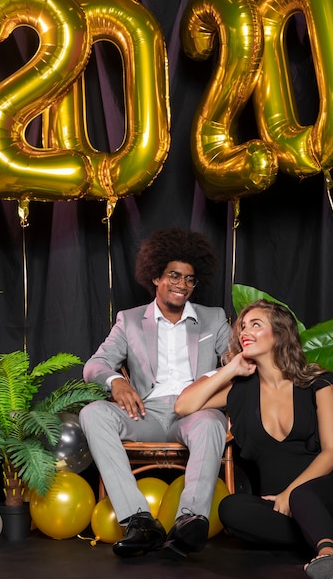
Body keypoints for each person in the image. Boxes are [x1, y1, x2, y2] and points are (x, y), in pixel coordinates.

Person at [174, 299, 333, 579]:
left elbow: (332, 452)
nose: (244, 332)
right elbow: (184, 406)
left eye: (256, 325)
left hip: (326, 491)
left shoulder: (316, 382)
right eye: (243, 327)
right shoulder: (239, 391)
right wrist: (232, 367)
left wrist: (290, 492)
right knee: (230, 509)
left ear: (279, 334)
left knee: (301, 496)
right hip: (277, 506)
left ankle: (327, 551)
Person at [80, 227, 230, 558]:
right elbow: (94, 365)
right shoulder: (130, 321)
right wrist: (116, 382)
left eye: (190, 279)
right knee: (93, 413)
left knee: (210, 423)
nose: (182, 284)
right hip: (145, 413)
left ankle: (190, 520)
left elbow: (236, 361)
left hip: (194, 410)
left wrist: (214, 379)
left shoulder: (213, 318)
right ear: (156, 277)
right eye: (174, 276)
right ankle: (139, 521)